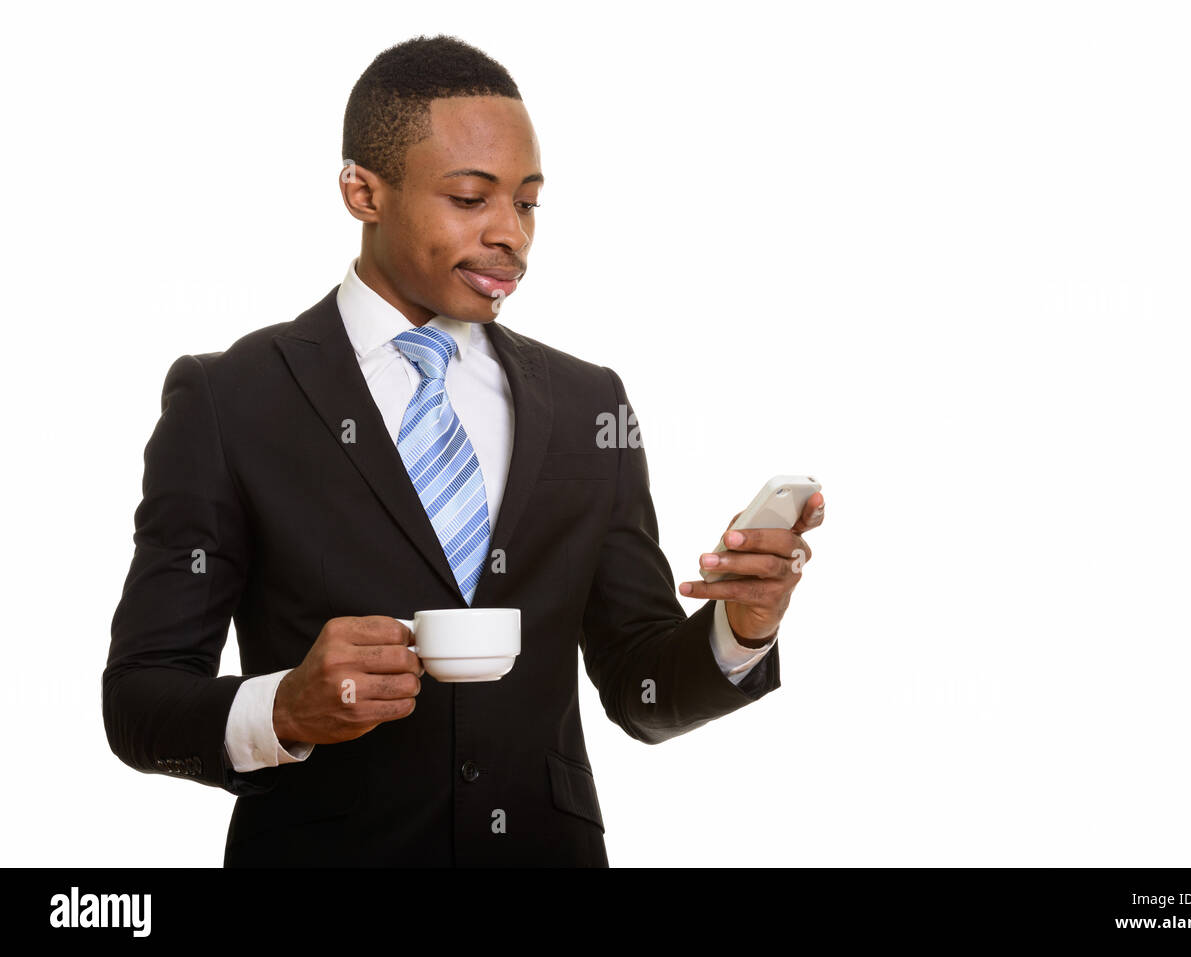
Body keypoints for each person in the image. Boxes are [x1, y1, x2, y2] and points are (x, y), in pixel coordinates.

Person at [103, 34, 824, 866]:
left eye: (527, 202)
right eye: (471, 198)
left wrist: (740, 627)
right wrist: (285, 709)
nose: (511, 234)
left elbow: (640, 690)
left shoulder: (591, 402)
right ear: (362, 192)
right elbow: (140, 703)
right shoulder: (229, 399)